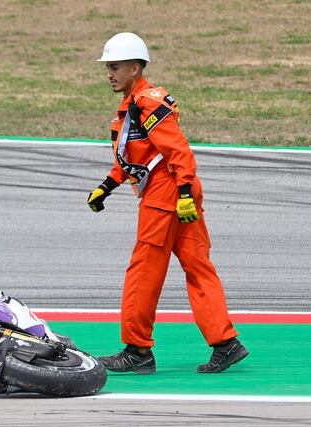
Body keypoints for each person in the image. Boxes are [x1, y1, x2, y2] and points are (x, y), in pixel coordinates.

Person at [86, 32, 248, 374]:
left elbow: (178, 152)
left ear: (135, 67)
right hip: (176, 194)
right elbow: (136, 157)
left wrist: (185, 191)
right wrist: (107, 185)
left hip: (166, 196)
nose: (109, 73)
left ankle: (137, 350)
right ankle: (225, 343)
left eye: (114, 67)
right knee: (198, 267)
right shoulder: (134, 105)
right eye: (108, 67)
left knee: (143, 271)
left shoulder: (146, 103)